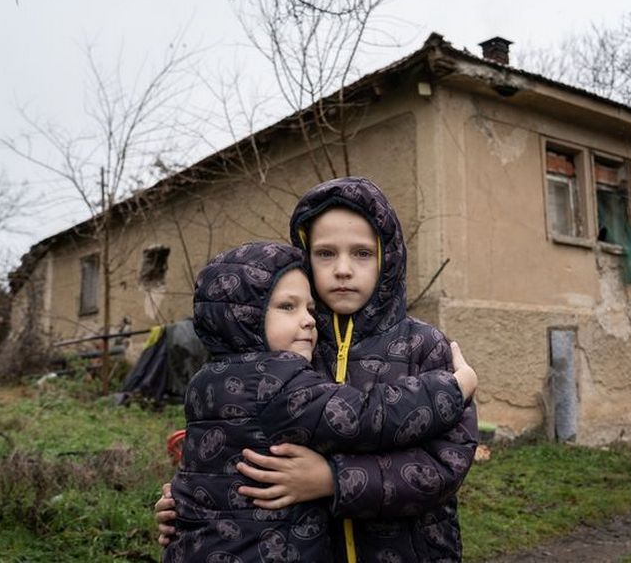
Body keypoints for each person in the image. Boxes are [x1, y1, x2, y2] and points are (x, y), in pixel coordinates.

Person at [158, 177, 479, 562]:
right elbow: (232, 443)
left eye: (362, 253)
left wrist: (331, 479)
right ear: (305, 257)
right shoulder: (286, 347)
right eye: (325, 254)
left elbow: (445, 463)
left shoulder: (425, 345)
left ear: (388, 258)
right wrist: (187, 504)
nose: (343, 269)